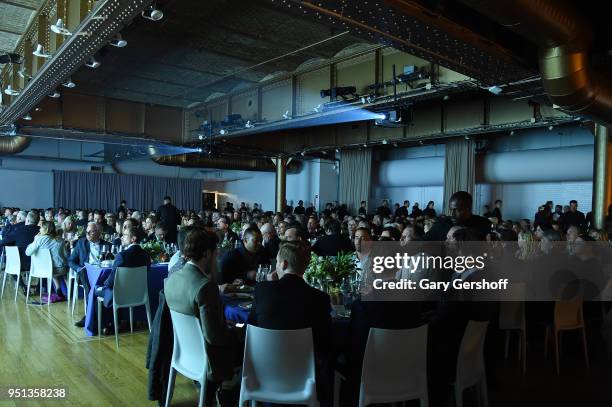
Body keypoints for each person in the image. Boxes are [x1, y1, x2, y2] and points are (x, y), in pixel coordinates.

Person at [248, 240, 332, 403]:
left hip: (262, 374)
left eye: (277, 263)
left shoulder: (262, 290)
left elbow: (251, 330)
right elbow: (325, 344)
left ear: (284, 264)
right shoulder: (320, 298)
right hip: (304, 378)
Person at [164, 228, 241, 404]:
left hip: (184, 353)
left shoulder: (172, 279)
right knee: (250, 345)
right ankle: (230, 395)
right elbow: (214, 337)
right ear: (207, 254)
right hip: (207, 358)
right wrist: (239, 331)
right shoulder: (205, 287)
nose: (217, 259)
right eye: (216, 254)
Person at [97, 226, 151, 310]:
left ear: (133, 238)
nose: (121, 237)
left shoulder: (122, 256)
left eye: (125, 235)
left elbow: (111, 281)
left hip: (121, 296)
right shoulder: (146, 255)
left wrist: (104, 284)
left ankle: (99, 322)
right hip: (139, 295)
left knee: (94, 289)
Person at [69, 222, 110, 327]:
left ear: (98, 233)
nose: (87, 234)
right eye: (86, 231)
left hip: (101, 273)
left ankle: (91, 318)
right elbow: (71, 261)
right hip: (86, 273)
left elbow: (111, 262)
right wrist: (78, 268)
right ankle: (91, 318)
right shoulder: (81, 243)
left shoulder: (107, 245)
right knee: (85, 276)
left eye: (90, 232)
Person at [25, 221, 68, 301]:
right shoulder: (60, 240)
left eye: (41, 227)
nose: (39, 229)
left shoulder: (39, 239)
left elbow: (27, 252)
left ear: (45, 229)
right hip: (60, 269)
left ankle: (59, 291)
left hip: (42, 269)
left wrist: (35, 239)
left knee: (52, 269)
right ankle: (69, 292)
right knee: (63, 272)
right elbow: (65, 255)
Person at [424, 191, 491, 241]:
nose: (453, 214)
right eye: (451, 209)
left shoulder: (483, 224)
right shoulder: (442, 224)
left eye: (458, 210)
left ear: (468, 208)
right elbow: (422, 243)